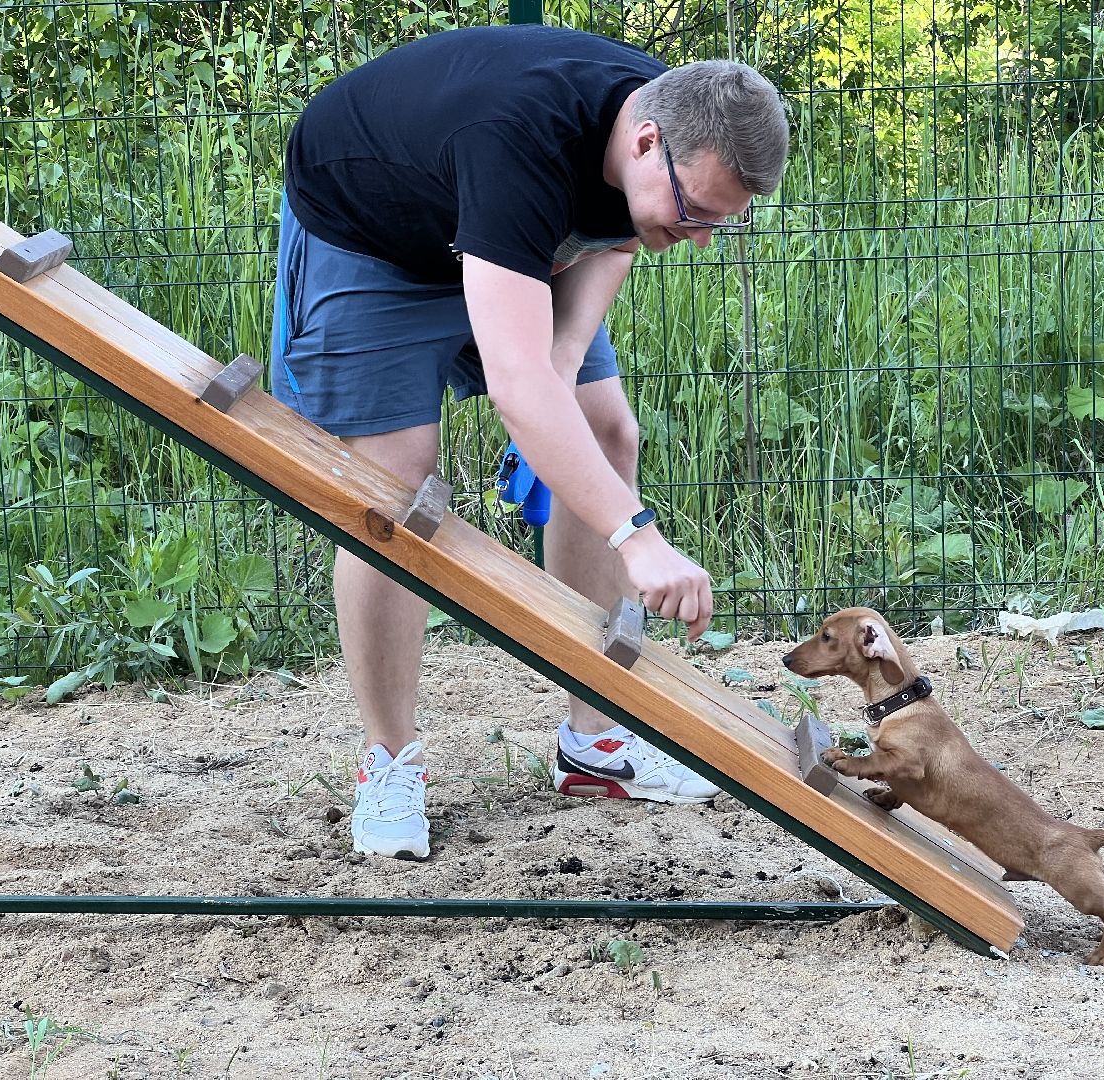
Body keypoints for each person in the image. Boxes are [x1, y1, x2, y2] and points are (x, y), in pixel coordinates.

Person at [271, 24, 789, 859]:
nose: (697, 239)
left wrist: (562, 366)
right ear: (647, 142)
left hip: (505, 235)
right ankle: (390, 761)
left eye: (719, 225)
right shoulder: (519, 140)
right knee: (389, 491)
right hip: (372, 236)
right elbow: (517, 390)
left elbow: (614, 238)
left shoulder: (672, 112)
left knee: (605, 428)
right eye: (695, 214)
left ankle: (594, 741)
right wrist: (637, 535)